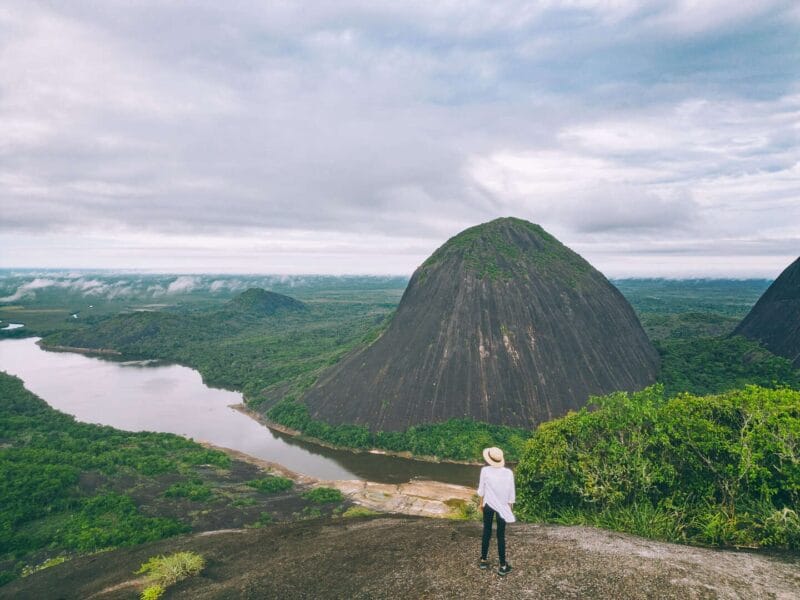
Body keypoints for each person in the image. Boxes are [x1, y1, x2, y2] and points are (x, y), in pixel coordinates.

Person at [477, 446, 515, 576]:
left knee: (486, 531)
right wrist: (509, 508)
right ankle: (503, 566)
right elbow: (511, 493)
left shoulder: (485, 471)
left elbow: (481, 489)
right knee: (500, 535)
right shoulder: (508, 473)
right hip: (502, 507)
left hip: (488, 505)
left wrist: (481, 504)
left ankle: (483, 560)